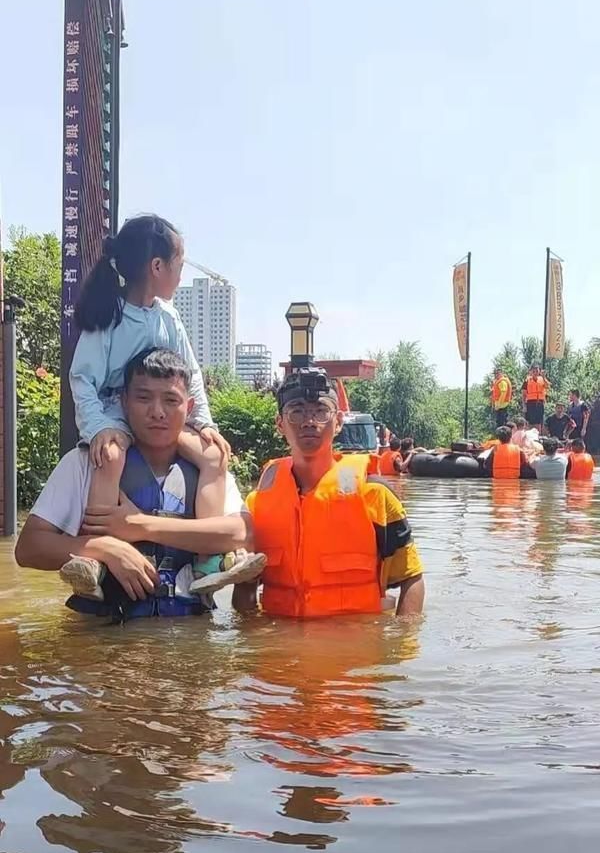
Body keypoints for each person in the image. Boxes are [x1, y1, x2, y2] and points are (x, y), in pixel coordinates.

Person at [63, 214, 258, 601]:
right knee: (112, 456)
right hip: (115, 415)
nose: (180, 276)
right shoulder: (110, 315)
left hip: (165, 419)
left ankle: (207, 560)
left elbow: (192, 376)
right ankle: (98, 558)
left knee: (214, 456)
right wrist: (99, 428)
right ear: (157, 267)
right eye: (179, 266)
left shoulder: (169, 317)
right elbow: (82, 379)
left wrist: (203, 422)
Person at [15, 350, 264, 622]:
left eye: (171, 400)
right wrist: (107, 549)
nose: (157, 412)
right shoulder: (88, 461)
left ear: (189, 408)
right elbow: (29, 548)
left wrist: (139, 525)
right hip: (103, 641)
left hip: (189, 639)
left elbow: (242, 533)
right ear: (124, 401)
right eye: (143, 398)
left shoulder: (207, 467)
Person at [243, 368, 425, 619]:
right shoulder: (257, 506)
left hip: (355, 652)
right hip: (279, 654)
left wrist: (401, 647)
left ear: (338, 421)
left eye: (320, 411)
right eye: (296, 412)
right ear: (280, 424)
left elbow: (411, 578)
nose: (309, 421)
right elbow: (244, 593)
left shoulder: (375, 494)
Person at [522, 365, 549, 430]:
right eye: (533, 371)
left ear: (539, 372)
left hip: (540, 403)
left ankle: (538, 436)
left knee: (539, 422)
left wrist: (544, 377)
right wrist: (524, 406)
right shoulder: (527, 381)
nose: (535, 373)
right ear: (531, 372)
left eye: (537, 371)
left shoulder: (542, 379)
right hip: (530, 403)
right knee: (530, 422)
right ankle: (529, 436)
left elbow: (547, 386)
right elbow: (523, 395)